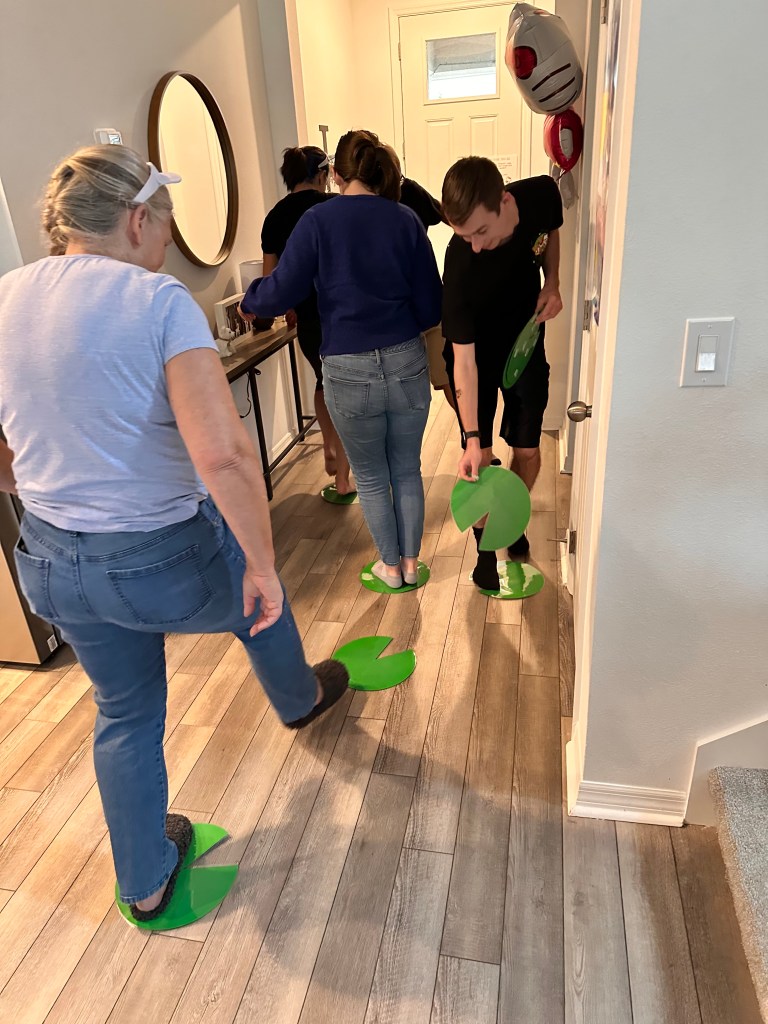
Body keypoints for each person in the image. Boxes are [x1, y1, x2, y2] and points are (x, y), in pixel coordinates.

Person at [0, 145, 349, 924]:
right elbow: (223, 453)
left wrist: (33, 481)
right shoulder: (159, 302)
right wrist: (262, 561)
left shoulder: (4, 298)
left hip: (51, 562)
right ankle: (298, 700)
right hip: (158, 556)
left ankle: (145, 880)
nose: (165, 234)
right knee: (259, 598)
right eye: (163, 217)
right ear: (135, 219)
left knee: (123, 710)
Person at [240, 130, 442, 590]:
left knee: (370, 476)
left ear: (335, 173)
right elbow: (432, 308)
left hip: (348, 369)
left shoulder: (317, 221)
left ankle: (389, 569)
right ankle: (412, 563)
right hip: (406, 360)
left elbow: (279, 290)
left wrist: (249, 301)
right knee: (406, 468)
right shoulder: (407, 220)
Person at [440, 156, 563, 590]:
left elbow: (551, 230)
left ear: (505, 202)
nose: (473, 244)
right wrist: (473, 439)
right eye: (463, 235)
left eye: (480, 232)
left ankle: (510, 517)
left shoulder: (540, 196)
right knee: (481, 459)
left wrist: (553, 283)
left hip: (524, 343)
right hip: (475, 356)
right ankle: (485, 549)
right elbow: (464, 363)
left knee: (527, 451)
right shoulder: (460, 265)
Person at [261, 146, 352, 496]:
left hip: (307, 320)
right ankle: (343, 479)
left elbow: (271, 279)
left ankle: (327, 445)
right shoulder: (334, 207)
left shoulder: (274, 217)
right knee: (342, 391)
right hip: (341, 315)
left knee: (322, 380)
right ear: (323, 174)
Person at [382, 144, 456, 411]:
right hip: (406, 308)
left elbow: (444, 214)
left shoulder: (409, 190)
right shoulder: (375, 203)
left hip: (422, 301)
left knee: (446, 376)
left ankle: (468, 433)